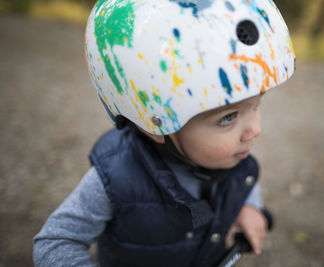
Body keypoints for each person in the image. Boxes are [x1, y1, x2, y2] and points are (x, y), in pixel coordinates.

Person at [33, 0, 295, 266]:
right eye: (228, 117)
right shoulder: (116, 177)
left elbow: (242, 179)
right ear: (151, 122)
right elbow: (56, 241)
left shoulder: (230, 157)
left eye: (257, 104)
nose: (256, 129)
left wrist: (249, 207)